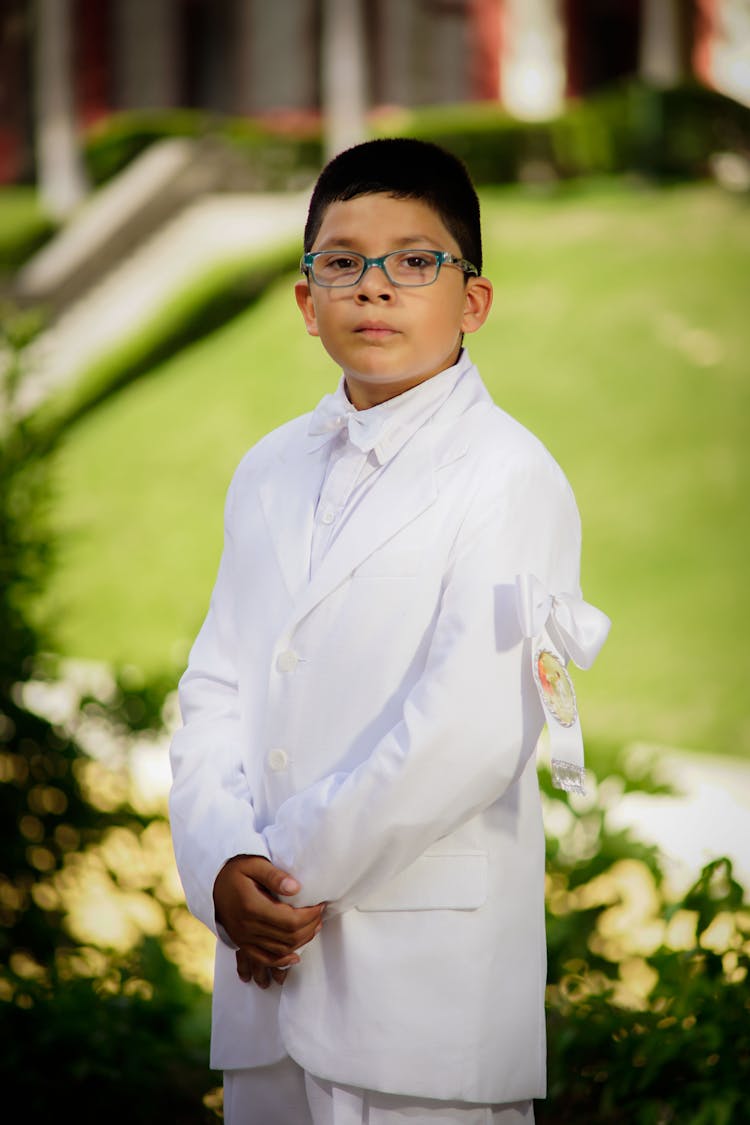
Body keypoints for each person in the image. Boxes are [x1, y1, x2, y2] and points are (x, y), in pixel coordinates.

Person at [168, 137, 610, 1125]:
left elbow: (469, 730)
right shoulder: (267, 470)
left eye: (416, 261)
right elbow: (216, 689)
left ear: (474, 301)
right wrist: (222, 866)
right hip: (264, 983)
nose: (375, 287)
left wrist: (287, 879)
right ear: (305, 299)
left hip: (422, 995)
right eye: (342, 261)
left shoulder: (508, 475)